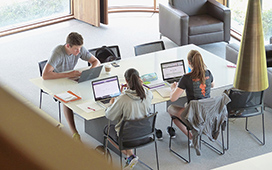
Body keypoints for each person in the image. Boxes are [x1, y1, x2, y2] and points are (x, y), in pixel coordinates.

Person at [42, 32, 100, 141]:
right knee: (67, 99)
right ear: (68, 46)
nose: (79, 52)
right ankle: (74, 133)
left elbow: (96, 61)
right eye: (76, 50)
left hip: (71, 78)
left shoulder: (79, 49)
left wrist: (90, 72)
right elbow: (45, 75)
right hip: (57, 80)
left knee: (91, 86)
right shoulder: (57, 53)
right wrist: (68, 74)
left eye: (80, 49)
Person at [105, 68, 153, 170]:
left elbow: (110, 116)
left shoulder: (122, 99)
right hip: (146, 134)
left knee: (108, 129)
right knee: (129, 128)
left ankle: (130, 155)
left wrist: (111, 104)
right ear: (139, 79)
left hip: (128, 139)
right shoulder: (148, 93)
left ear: (126, 81)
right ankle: (130, 156)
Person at [167, 50, 214, 143]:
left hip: (194, 114)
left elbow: (173, 98)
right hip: (207, 112)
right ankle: (198, 130)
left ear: (189, 62)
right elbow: (212, 85)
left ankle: (191, 137)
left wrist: (173, 88)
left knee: (170, 109)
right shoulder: (208, 73)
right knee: (186, 104)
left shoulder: (186, 78)